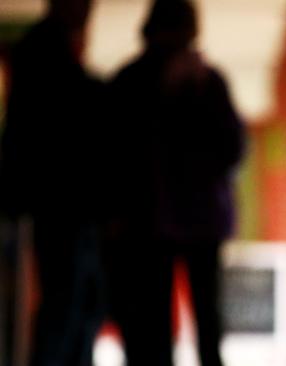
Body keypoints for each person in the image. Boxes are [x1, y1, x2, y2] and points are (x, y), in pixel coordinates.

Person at [105, 0, 244, 365]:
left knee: (166, 322)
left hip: (161, 220)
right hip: (157, 220)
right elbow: (232, 149)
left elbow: (231, 148)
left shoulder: (200, 83)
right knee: (167, 322)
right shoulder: (192, 82)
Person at [0, 0, 106, 364]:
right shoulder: (43, 49)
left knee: (78, 306)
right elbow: (57, 117)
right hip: (61, 199)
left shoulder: (48, 47)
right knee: (67, 306)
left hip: (65, 199)